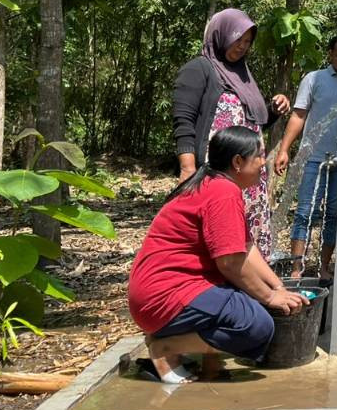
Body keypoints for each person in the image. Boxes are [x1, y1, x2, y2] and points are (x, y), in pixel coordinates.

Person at [128, 127, 308, 384]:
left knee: (255, 299)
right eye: (259, 155)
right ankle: (165, 347)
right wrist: (269, 297)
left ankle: (185, 348)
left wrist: (278, 287)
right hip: (165, 297)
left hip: (162, 294)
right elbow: (230, 263)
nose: (263, 163)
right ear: (238, 162)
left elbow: (246, 248)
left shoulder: (214, 185)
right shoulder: (223, 192)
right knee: (256, 326)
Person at [173, 9, 291, 259]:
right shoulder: (199, 69)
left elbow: (250, 127)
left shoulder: (242, 75)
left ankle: (249, 281)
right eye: (238, 39)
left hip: (249, 176)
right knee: (220, 235)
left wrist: (273, 110)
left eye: (247, 41)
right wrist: (187, 168)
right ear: (221, 34)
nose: (242, 46)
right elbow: (184, 122)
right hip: (217, 174)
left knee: (245, 240)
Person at [275, 33, 337, 278]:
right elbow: (298, 115)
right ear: (330, 55)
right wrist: (284, 150)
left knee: (334, 216)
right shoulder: (313, 79)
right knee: (305, 213)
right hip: (313, 158)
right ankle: (296, 269)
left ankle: (324, 268)